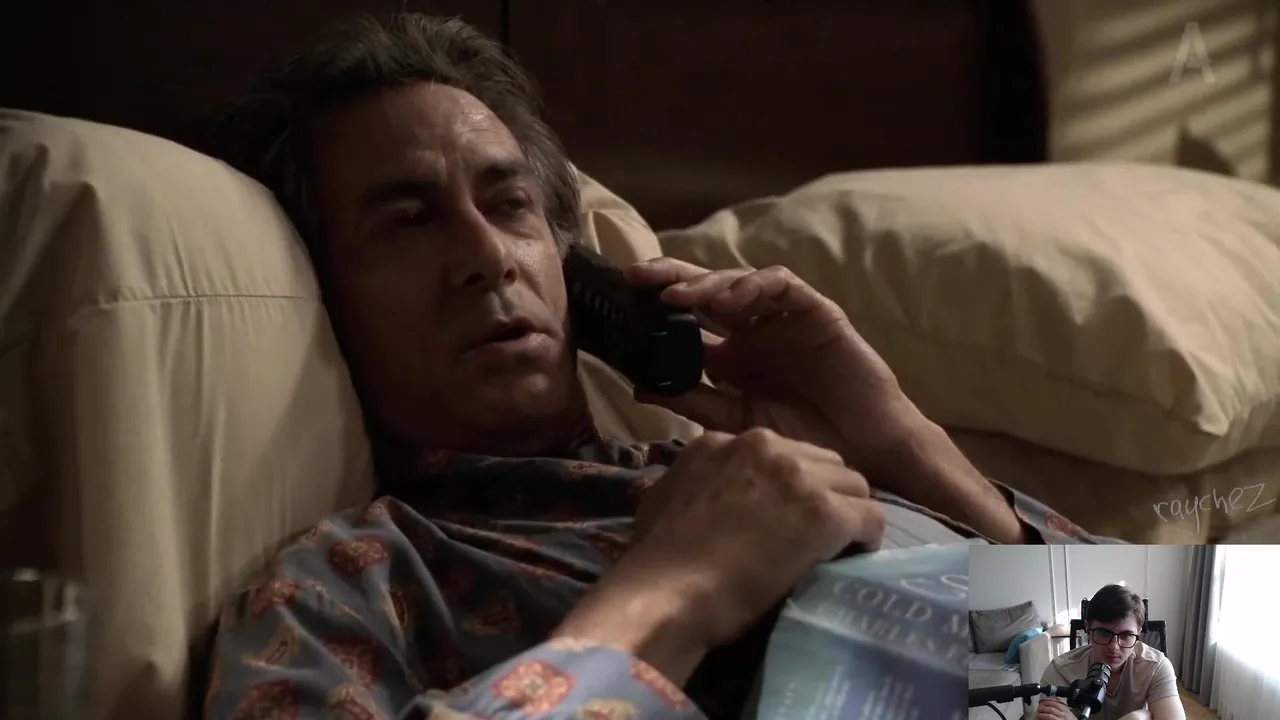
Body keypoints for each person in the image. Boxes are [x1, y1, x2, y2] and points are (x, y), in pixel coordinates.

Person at [197, 13, 1116, 719]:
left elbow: (1175, 674)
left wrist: (904, 445)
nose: (487, 257)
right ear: (321, 289)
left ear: (571, 264)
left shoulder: (761, 472)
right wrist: (676, 592)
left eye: (509, 205)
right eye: (406, 221)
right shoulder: (355, 584)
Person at [1038, 585, 1184, 720]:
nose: (1114, 647)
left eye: (1126, 635)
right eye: (1104, 633)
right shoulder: (1061, 671)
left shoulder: (1155, 667)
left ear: (1138, 633)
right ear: (1088, 629)